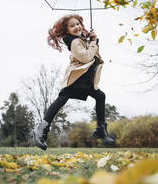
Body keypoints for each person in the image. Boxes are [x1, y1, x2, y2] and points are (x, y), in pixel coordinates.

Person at [33, 14, 114, 150]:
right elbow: (87, 57)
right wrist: (93, 42)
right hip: (77, 78)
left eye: (78, 24)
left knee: (100, 96)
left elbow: (93, 54)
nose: (76, 27)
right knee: (62, 99)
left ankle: (100, 129)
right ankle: (40, 130)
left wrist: (92, 39)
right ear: (67, 30)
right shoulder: (75, 42)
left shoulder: (80, 40)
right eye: (72, 26)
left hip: (85, 79)